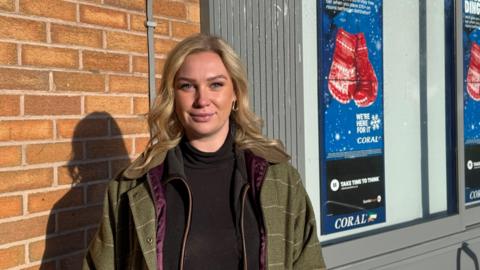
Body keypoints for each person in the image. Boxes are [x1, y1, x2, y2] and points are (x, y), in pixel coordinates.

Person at [83, 34, 326, 270]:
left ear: (235, 95)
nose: (202, 99)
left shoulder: (280, 180)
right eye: (187, 86)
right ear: (173, 96)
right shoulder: (132, 186)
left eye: (216, 84)